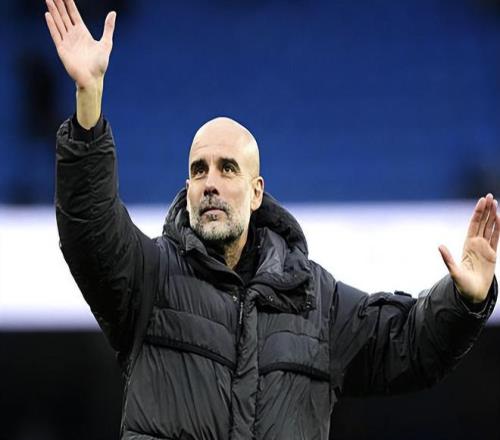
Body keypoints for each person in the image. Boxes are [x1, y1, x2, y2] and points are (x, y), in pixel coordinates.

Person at [45, 1, 499, 439]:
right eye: (198, 171)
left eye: (227, 169)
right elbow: (90, 226)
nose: (210, 183)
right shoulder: (149, 279)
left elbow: (407, 344)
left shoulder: (317, 302)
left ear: (256, 192)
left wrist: (464, 300)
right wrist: (89, 99)